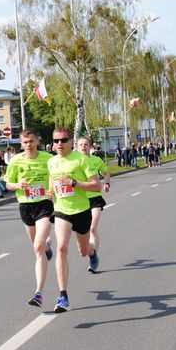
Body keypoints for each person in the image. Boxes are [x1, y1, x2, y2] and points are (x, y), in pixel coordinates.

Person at [48, 127, 101, 313]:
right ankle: (63, 296)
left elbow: (96, 186)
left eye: (63, 140)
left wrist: (74, 183)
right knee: (61, 248)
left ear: (72, 141)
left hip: (82, 211)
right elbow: (52, 182)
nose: (59, 144)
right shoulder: (52, 162)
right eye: (56, 141)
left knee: (83, 251)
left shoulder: (82, 160)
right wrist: (50, 192)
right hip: (62, 211)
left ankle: (92, 253)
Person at [4, 129, 54, 307]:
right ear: (21, 144)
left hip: (44, 204)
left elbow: (56, 176)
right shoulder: (15, 161)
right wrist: (19, 184)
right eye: (25, 143)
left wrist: (52, 189)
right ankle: (47, 244)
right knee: (36, 247)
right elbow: (8, 184)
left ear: (37, 141)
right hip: (25, 206)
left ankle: (38, 293)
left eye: (31, 141)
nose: (29, 145)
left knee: (37, 247)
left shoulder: (48, 158)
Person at [76, 137, 111, 272]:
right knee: (82, 232)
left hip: (95, 198)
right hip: (79, 200)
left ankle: (93, 255)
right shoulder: (73, 161)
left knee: (92, 228)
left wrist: (106, 183)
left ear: (90, 146)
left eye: (86, 144)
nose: (83, 146)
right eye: (81, 144)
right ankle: (90, 251)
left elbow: (106, 171)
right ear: (77, 147)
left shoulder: (96, 160)